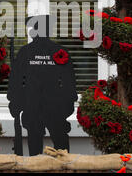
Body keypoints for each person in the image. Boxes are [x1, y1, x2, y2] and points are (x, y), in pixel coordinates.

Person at [7, 15, 78, 156]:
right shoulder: (26, 52)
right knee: (38, 143)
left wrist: (69, 101)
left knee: (58, 143)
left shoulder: (57, 52)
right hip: (34, 105)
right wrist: (14, 101)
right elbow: (16, 81)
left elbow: (68, 81)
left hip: (53, 105)